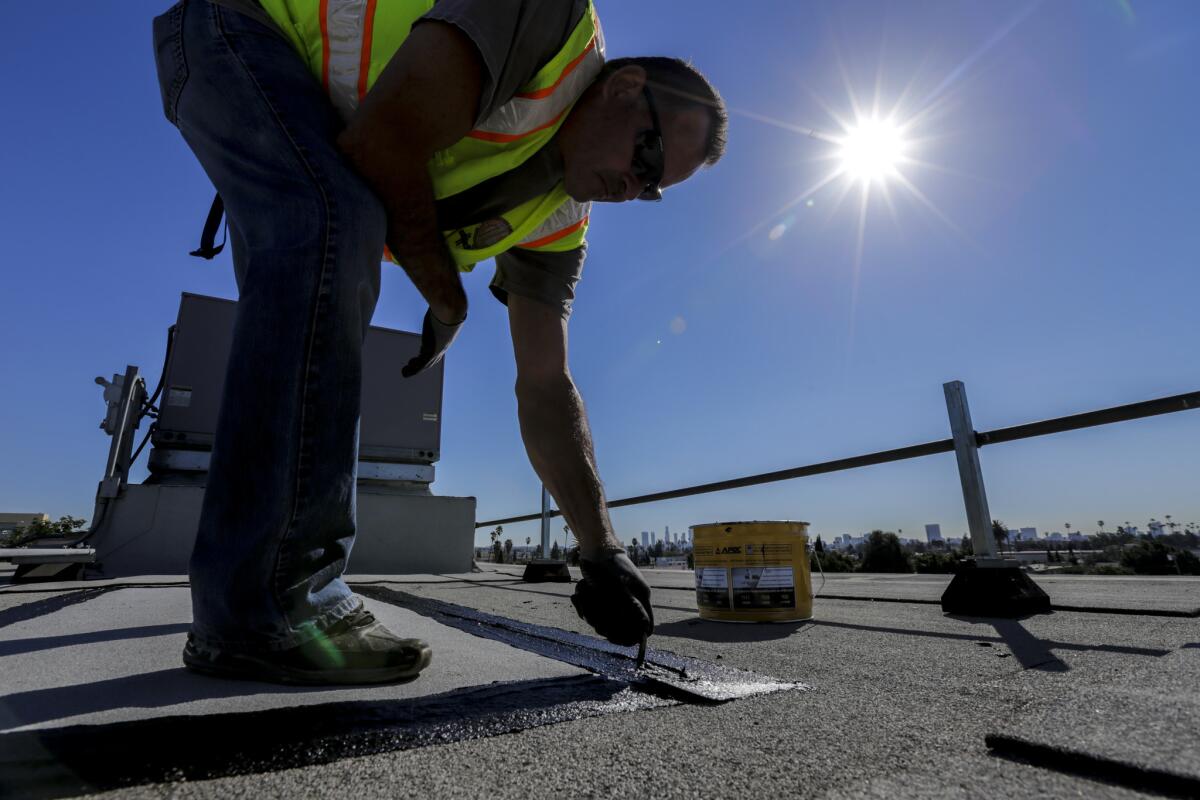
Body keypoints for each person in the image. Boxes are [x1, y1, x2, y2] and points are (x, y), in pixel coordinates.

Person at [151, 0, 727, 685]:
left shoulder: (563, 211)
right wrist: (447, 298)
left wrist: (601, 550)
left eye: (654, 188)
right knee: (332, 220)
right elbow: (381, 145)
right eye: (648, 154)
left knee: (317, 261)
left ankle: (253, 594)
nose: (634, 188)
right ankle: (270, 607)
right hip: (238, 27)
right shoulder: (547, 18)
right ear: (625, 86)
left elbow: (545, 383)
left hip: (307, 108)